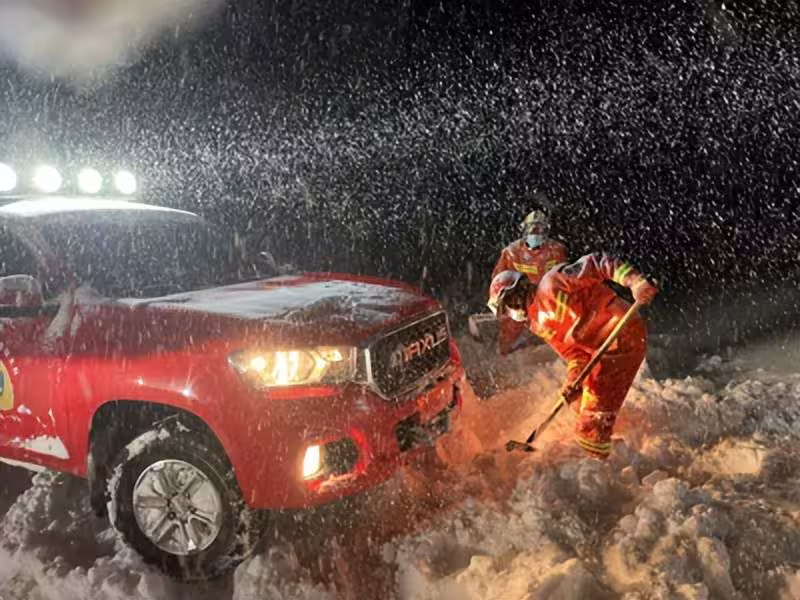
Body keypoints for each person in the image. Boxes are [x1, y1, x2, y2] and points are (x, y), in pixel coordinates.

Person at [486, 253, 658, 459]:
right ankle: (610, 442)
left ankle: (597, 464)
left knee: (591, 422)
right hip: (600, 352)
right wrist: (573, 381)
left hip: (620, 335)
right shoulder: (537, 323)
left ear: (519, 290)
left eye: (509, 304)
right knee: (579, 403)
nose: (511, 312)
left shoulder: (553, 282)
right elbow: (573, 353)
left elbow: (597, 263)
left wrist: (634, 281)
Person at [490, 208, 568, 355]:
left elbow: (564, 279)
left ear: (546, 230)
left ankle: (554, 357)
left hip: (546, 301)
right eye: (531, 228)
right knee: (509, 328)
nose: (534, 232)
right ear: (524, 229)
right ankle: (505, 358)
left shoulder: (557, 251)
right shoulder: (511, 252)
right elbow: (497, 281)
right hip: (519, 301)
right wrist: (498, 305)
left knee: (556, 332)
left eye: (539, 229)